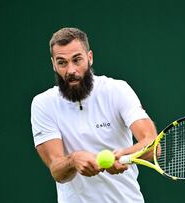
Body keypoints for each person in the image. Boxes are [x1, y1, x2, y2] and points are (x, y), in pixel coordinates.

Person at [30, 27, 157, 203]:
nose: (71, 70)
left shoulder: (117, 90)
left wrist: (125, 156)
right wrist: (73, 160)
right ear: (53, 64)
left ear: (89, 57)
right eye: (62, 62)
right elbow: (57, 170)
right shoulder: (43, 104)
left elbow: (151, 144)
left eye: (77, 60)